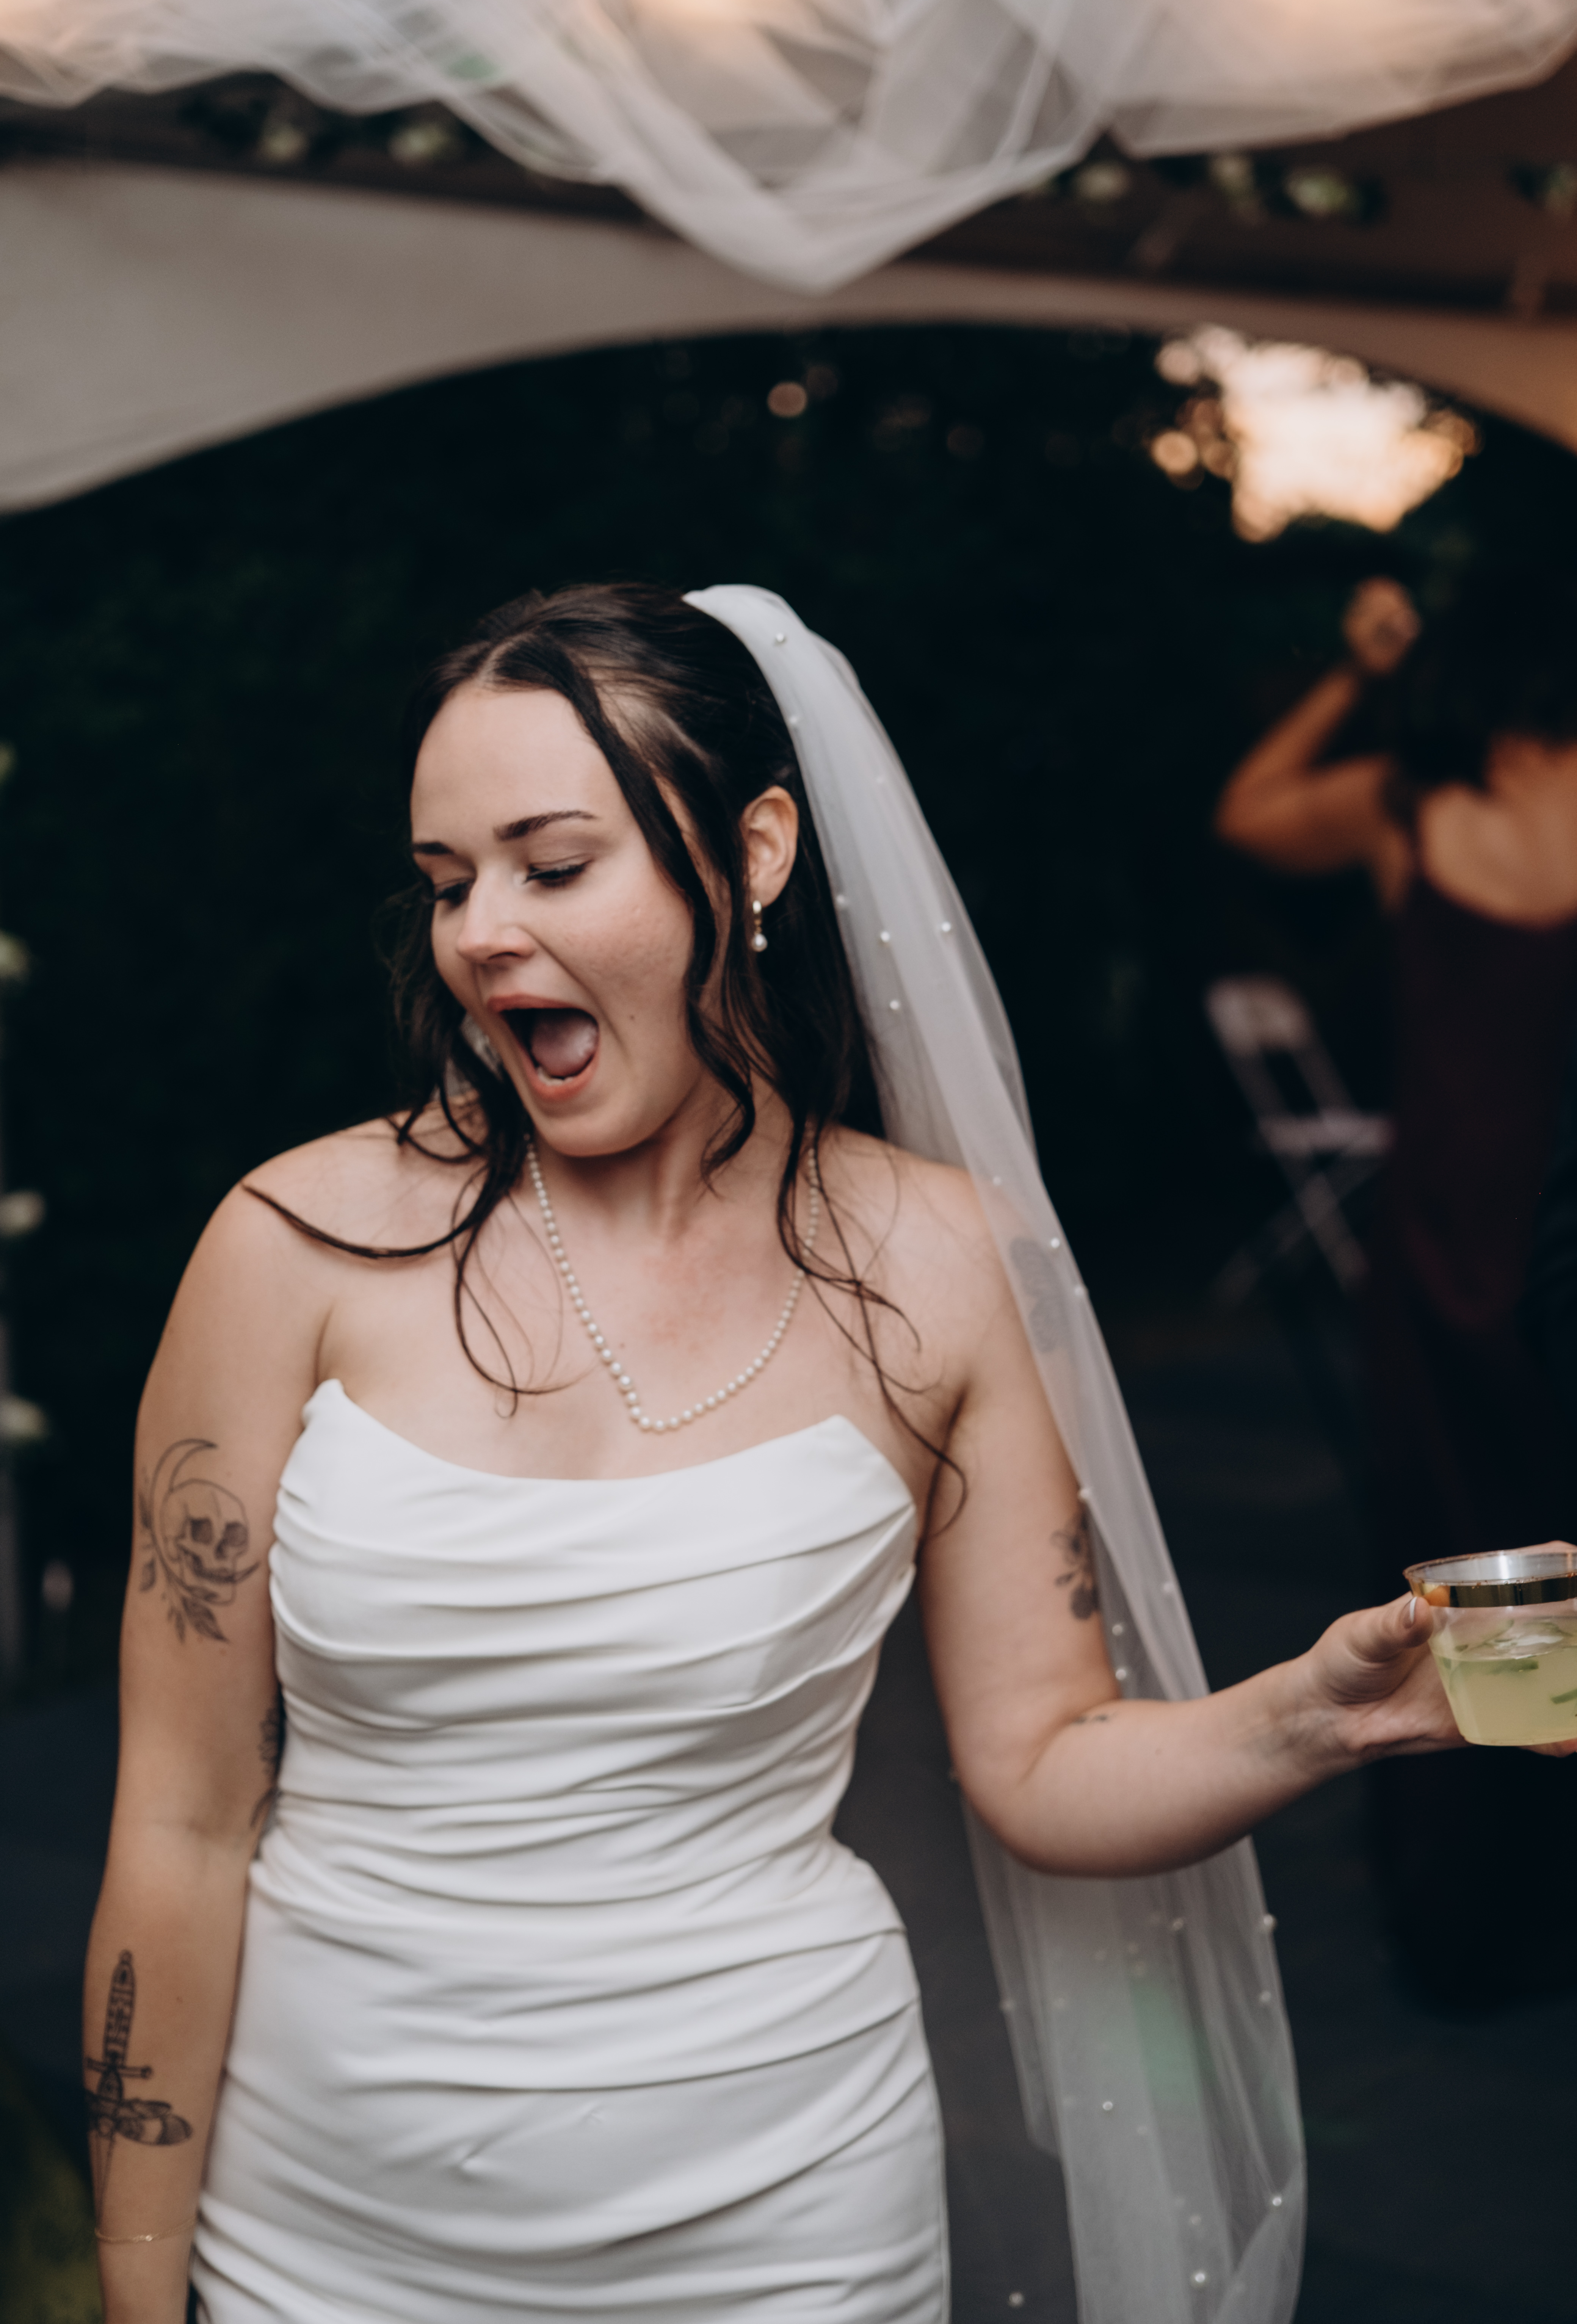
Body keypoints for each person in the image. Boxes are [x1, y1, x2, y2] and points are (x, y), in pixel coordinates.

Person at [87, 582, 1503, 2324]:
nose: (481, 934)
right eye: (447, 882)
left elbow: (1042, 1762)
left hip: (789, 2219)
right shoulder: (289, 1249)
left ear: (753, 852)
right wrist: (138, 2285)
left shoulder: (940, 1263)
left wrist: (1314, 1718)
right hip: (325, 2235)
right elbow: (179, 1819)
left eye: (552, 864)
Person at [1215, 567, 1577, 2002]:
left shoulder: (1401, 805)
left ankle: (1466, 1926)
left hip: (1439, 1249)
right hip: (1560, 1237)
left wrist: (1357, 676)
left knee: (1469, 1590)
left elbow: (1250, 812)